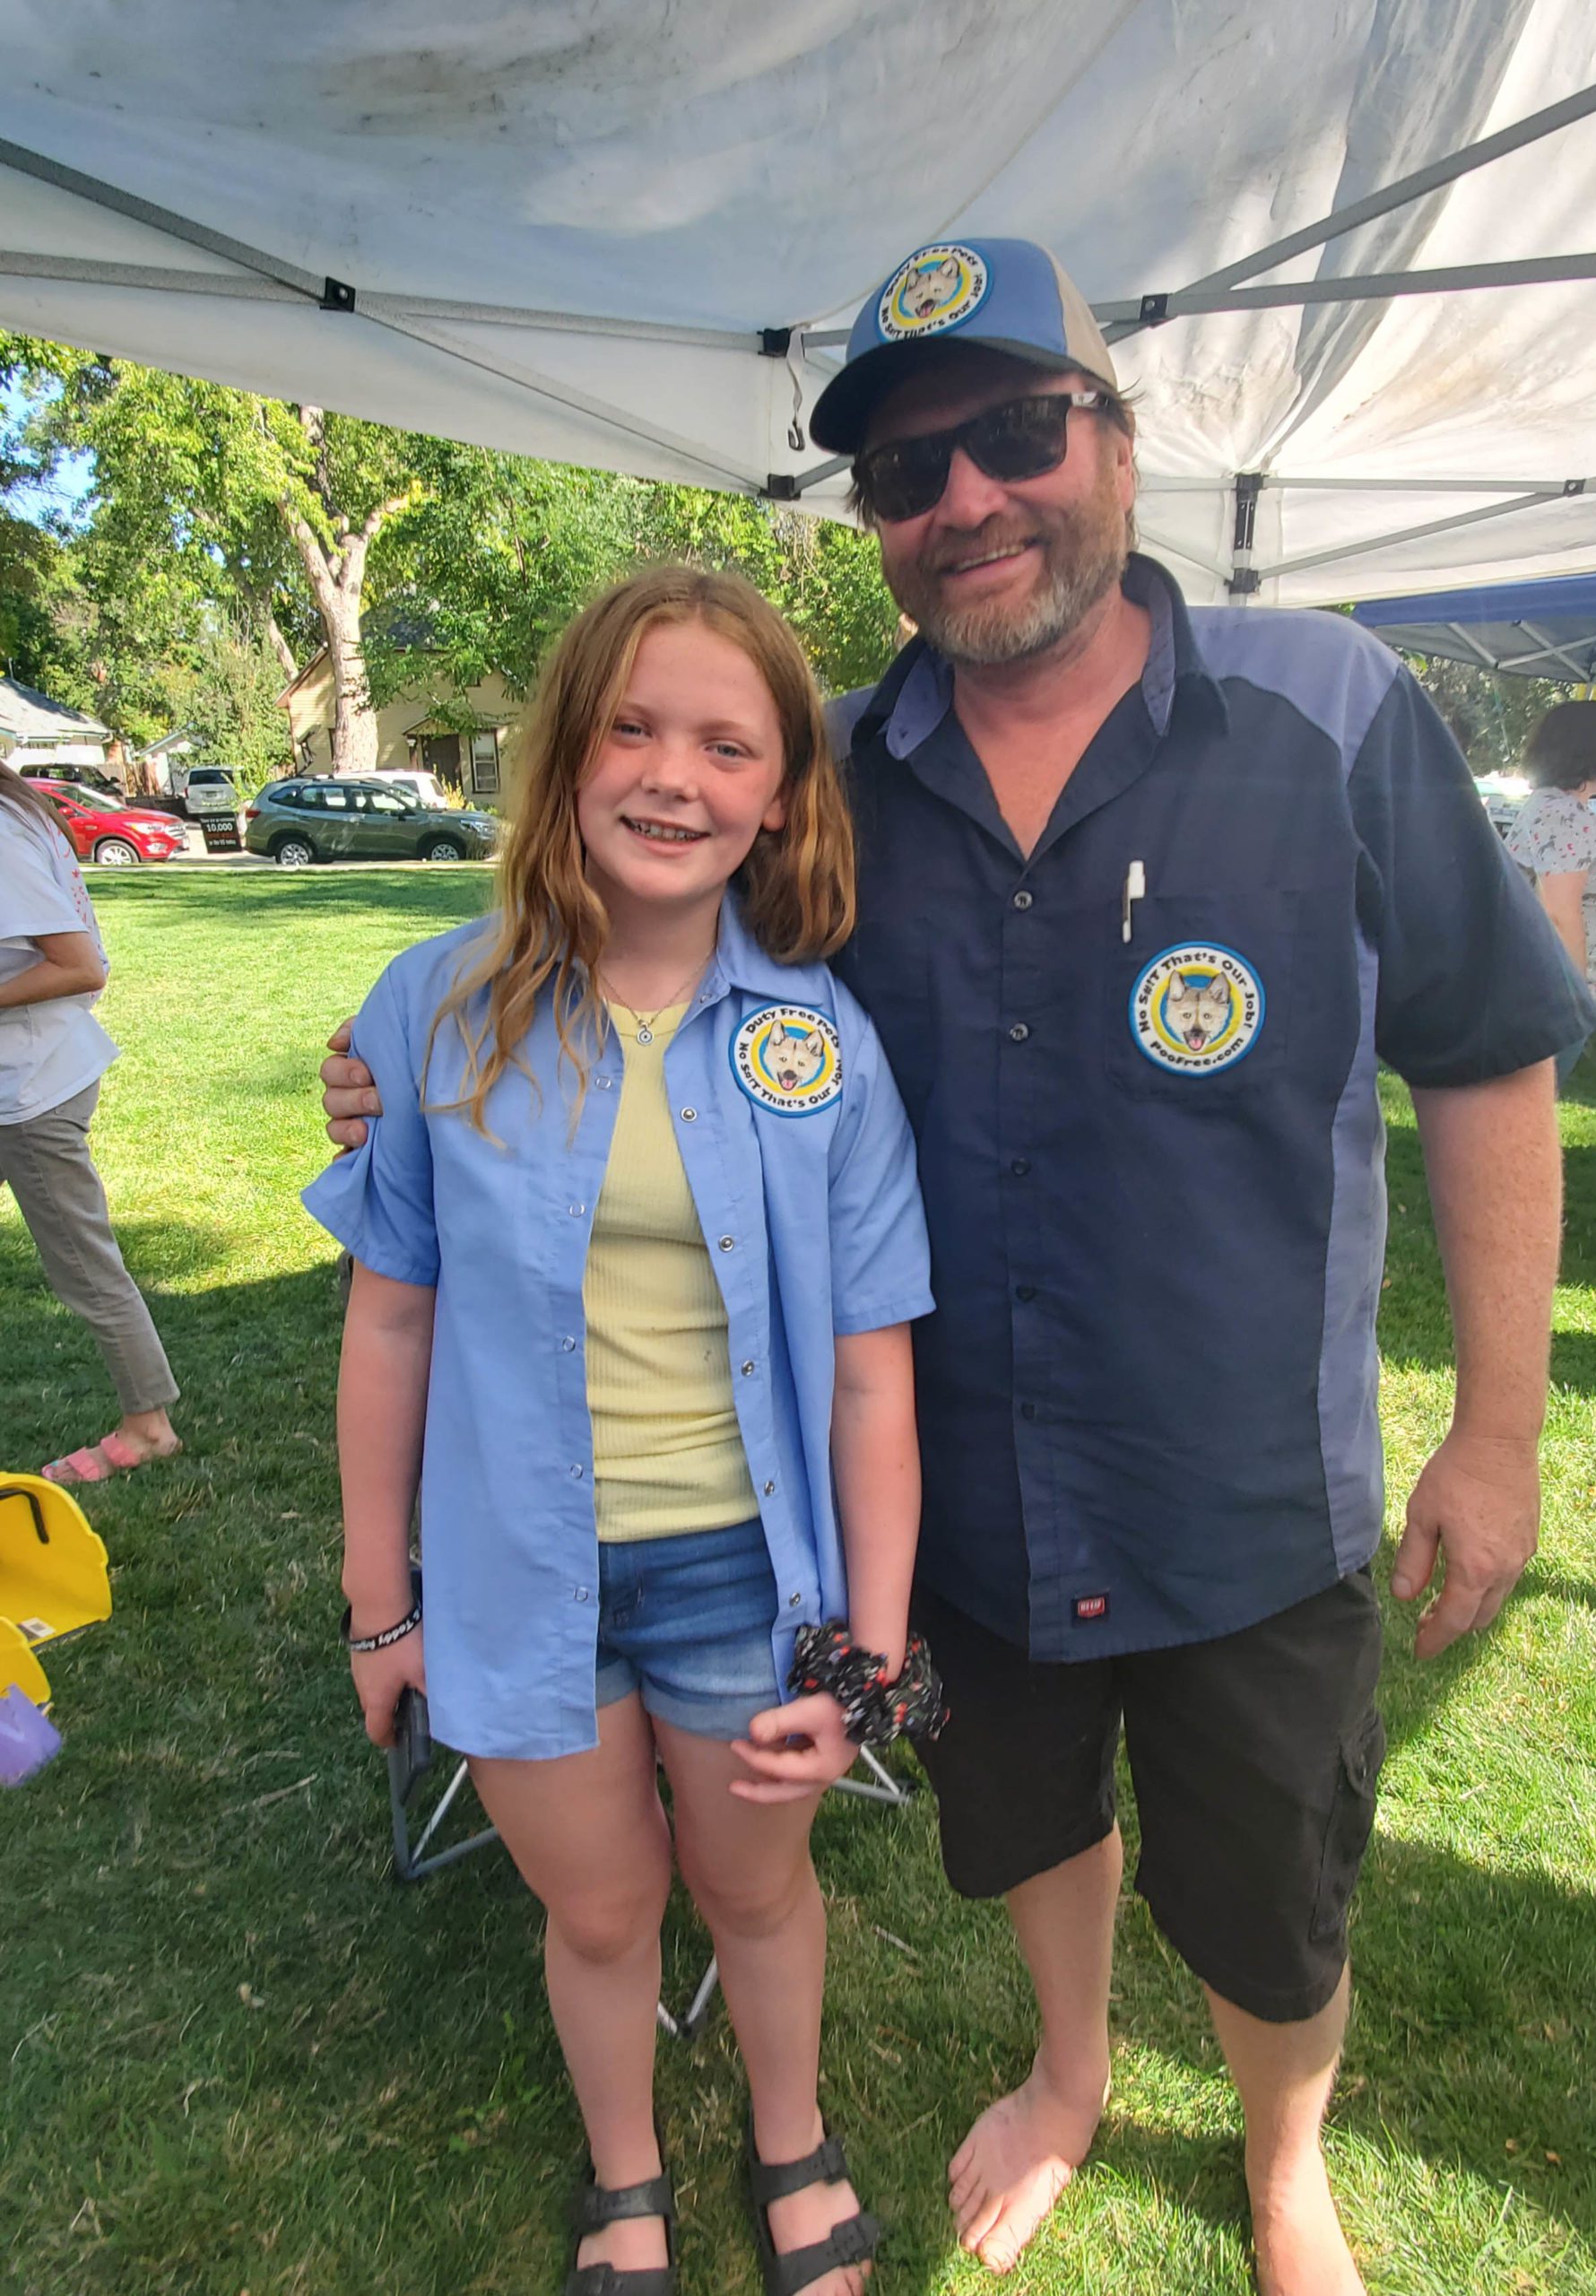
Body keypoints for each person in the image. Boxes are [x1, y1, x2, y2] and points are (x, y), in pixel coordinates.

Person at [324, 239, 1593, 2295]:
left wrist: (1503, 1426)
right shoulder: (814, 774)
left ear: (1112, 436)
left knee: (1271, 1882)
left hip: (1245, 1484)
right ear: (872, 522)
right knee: (1025, 1829)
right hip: (960, 1494)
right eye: (909, 470)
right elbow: (629, 965)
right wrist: (404, 1064)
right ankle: (1073, 2063)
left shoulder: (1327, 706)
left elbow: (1488, 1050)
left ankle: (1283, 2163)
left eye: (1015, 433)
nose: (968, 499)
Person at [303, 568, 937, 2296]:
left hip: (746, 1577)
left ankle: (792, 2139)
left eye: (729, 744)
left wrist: (869, 1650)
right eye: (634, 728)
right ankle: (626, 2178)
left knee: (753, 1899)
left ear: (778, 797)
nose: (675, 776)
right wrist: (383, 1604)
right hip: (523, 1576)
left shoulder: (820, 1041)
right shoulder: (434, 1009)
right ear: (566, 752)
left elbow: (873, 1371)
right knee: (597, 1914)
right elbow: (391, 1317)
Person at [0, 760, 181, 1482]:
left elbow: (80, 966)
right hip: (28, 1074)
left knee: (82, 1262)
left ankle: (149, 1425)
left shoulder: (5, 828)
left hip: (32, 1089)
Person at [1505, 700, 1596, 1084]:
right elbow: (1559, 913)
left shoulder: (1566, 811)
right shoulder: (1561, 814)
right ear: (1594, 749)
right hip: (1550, 1001)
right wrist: (1575, 1002)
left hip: (1550, 997)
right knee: (1520, 1127)